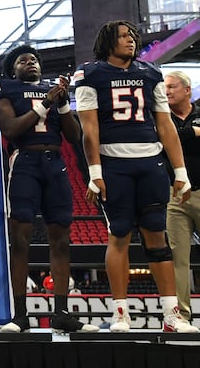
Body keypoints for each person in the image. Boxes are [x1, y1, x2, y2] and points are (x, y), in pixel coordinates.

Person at [74, 19, 198, 333]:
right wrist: (94, 172)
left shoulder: (151, 72)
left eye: (132, 36)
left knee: (158, 236)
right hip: (114, 164)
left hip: (151, 163)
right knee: (119, 236)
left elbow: (166, 125)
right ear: (108, 41)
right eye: (124, 36)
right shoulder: (90, 74)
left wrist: (180, 170)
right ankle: (120, 314)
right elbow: (89, 128)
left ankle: (172, 315)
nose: (131, 40)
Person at [0, 44, 99, 333]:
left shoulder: (53, 89)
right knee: (21, 241)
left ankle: (61, 312)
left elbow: (74, 135)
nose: (31, 63)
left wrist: (61, 103)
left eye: (34, 59)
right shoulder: (4, 88)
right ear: (13, 68)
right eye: (24, 60)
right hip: (25, 161)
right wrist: (45, 104)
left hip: (56, 163)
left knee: (62, 240)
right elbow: (11, 129)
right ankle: (20, 315)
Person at [164, 71, 200, 326]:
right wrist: (195, 133)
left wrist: (181, 137)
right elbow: (166, 141)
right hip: (174, 195)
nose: (167, 92)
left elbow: (175, 140)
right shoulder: (162, 118)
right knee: (178, 258)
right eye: (165, 88)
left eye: (172, 87)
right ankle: (182, 317)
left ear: (187, 90)